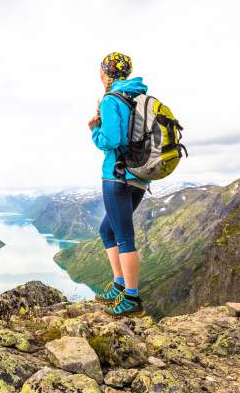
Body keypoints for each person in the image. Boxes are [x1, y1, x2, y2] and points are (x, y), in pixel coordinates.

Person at [87, 52, 150, 318]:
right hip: (139, 176)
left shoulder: (112, 99)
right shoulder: (139, 97)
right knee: (107, 230)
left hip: (116, 175)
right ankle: (119, 284)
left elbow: (110, 140)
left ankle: (131, 298)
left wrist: (94, 129)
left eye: (101, 71)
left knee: (123, 237)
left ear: (106, 73)